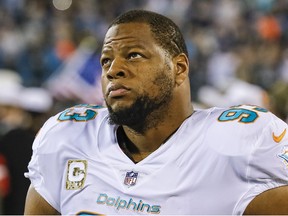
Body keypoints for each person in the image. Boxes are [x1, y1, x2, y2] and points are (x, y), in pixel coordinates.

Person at [24, 10, 288, 215]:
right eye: (106, 60)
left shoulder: (243, 143)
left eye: (134, 55)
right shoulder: (68, 137)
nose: (113, 69)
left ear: (180, 68)